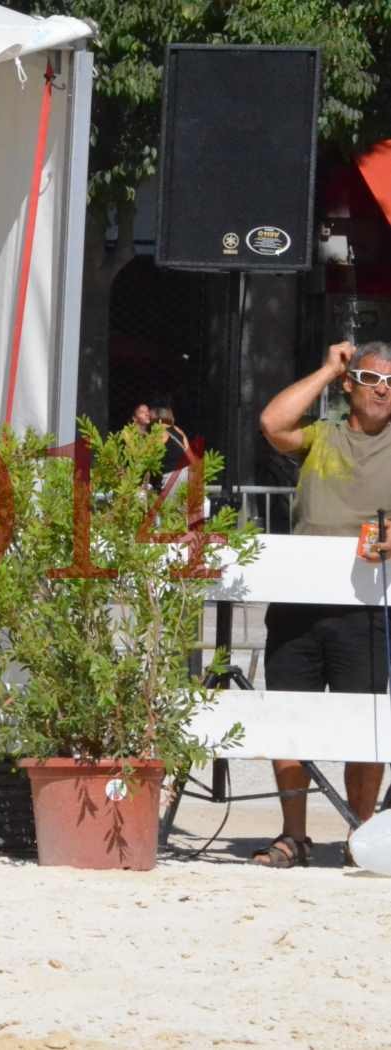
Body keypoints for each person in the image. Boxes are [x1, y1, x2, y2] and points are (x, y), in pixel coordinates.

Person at [253, 339, 391, 867]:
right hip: (298, 600)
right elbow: (272, 422)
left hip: (365, 606)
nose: (382, 390)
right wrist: (327, 369)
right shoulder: (322, 436)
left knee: (366, 725)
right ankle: (294, 835)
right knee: (290, 718)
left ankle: (360, 835)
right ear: (351, 385)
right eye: (372, 378)